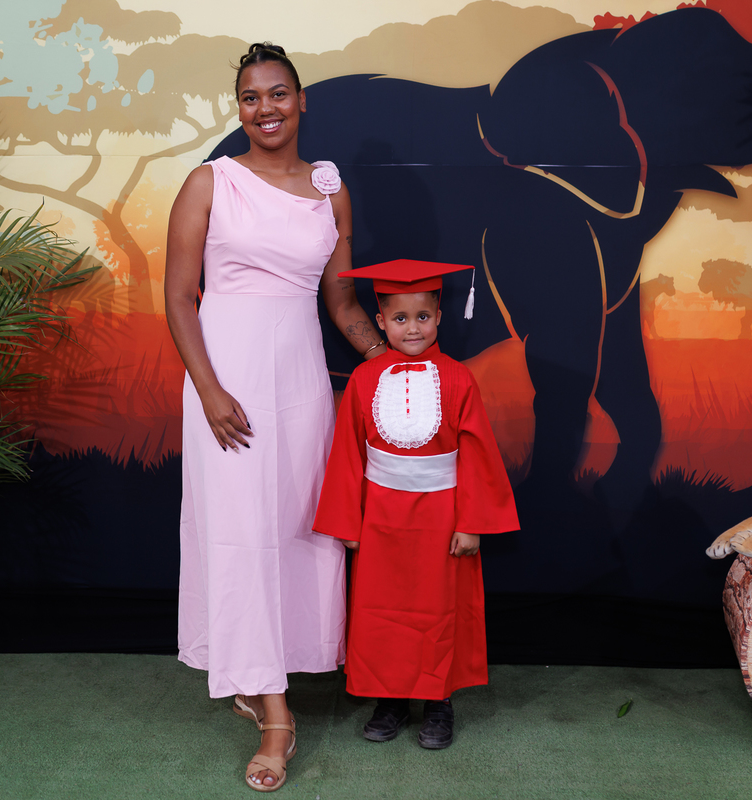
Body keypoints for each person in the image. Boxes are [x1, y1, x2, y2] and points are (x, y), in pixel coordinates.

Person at [164, 43, 386, 792]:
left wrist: (391, 362)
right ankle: (276, 719)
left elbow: (341, 303)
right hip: (226, 383)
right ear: (239, 108)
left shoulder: (330, 191)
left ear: (301, 100)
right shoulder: (209, 181)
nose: (266, 108)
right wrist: (208, 389)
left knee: (296, 528)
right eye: (251, 97)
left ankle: (259, 675)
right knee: (239, 534)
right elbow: (179, 296)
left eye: (279, 93)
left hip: (300, 384)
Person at [312, 259, 520, 750]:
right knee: (381, 610)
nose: (412, 328)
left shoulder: (459, 379)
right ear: (380, 321)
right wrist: (349, 523)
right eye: (400, 318)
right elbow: (347, 455)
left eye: (423, 317)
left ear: (439, 316)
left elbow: (477, 456)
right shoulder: (364, 379)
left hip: (441, 517)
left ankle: (438, 701)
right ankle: (389, 700)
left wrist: (471, 523)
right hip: (379, 518)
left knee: (438, 610)